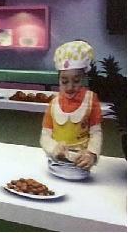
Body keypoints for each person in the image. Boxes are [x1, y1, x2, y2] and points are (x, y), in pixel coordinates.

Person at [40, 40, 102, 170]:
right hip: (57, 162)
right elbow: (45, 135)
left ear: (83, 78)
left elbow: (96, 132)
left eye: (76, 81)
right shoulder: (53, 103)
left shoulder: (91, 100)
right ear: (58, 80)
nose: (70, 87)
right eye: (64, 81)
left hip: (82, 163)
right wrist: (54, 148)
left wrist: (91, 154)